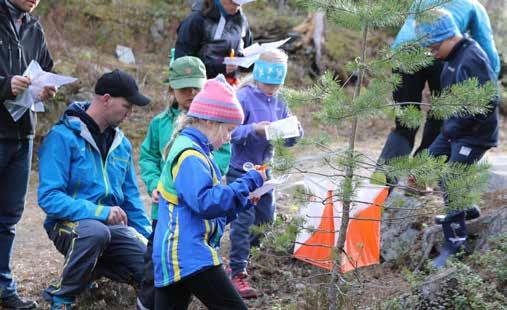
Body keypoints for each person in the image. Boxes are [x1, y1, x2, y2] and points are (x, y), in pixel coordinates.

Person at [37, 70, 153, 310]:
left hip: (111, 230)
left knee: (151, 266)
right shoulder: (61, 136)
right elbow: (49, 198)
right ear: (107, 99)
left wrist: (151, 242)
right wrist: (100, 212)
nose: (130, 114)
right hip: (68, 225)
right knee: (96, 232)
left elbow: (131, 200)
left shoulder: (122, 144)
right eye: (127, 106)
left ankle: (91, 270)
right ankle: (62, 298)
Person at [152, 75, 266, 310]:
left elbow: (204, 210)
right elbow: (205, 203)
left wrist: (243, 202)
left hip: (177, 256)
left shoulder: (196, 151)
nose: (229, 138)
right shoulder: (191, 156)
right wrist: (249, 181)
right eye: (229, 130)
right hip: (189, 254)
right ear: (212, 122)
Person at [137, 56, 231, 310]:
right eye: (183, 89)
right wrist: (154, 181)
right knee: (154, 274)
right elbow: (148, 156)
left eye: (195, 88)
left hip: (193, 215)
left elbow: (221, 154)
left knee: (187, 274)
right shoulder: (159, 123)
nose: (190, 94)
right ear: (171, 89)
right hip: (163, 212)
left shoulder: (212, 121)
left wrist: (194, 177)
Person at [378, 0, 500, 188]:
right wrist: (489, 82)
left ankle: (383, 180)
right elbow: (486, 48)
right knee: (440, 117)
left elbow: (412, 26)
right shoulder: (474, 6)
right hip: (439, 47)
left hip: (403, 51)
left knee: (405, 122)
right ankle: (419, 179)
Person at [415, 10, 499, 268]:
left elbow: (487, 101)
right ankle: (464, 209)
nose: (431, 53)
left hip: (474, 134)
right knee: (431, 161)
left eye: (433, 47)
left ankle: (456, 243)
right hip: (454, 129)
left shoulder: (471, 59)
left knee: (453, 177)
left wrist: (456, 124)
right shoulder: (451, 57)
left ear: (449, 37)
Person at [227, 48, 302, 298]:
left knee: (265, 221)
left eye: (276, 85)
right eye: (267, 84)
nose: (271, 89)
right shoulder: (244, 98)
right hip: (241, 170)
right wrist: (254, 129)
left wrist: (294, 133)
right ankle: (237, 271)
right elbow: (229, 133)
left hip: (265, 173)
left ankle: (244, 257)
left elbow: (285, 139)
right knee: (243, 220)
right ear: (258, 77)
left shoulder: (281, 101)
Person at [0, 0, 56, 308]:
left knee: (9, 216)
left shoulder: (34, 25)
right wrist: (5, 85)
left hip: (24, 132)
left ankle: (4, 289)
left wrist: (48, 86)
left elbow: (47, 68)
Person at [174, 0, 254, 84]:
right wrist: (219, 66)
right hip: (201, 87)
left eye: (240, 3)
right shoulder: (196, 19)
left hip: (231, 87)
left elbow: (246, 55)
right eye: (233, 2)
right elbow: (182, 61)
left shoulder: (241, 20)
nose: (237, 7)